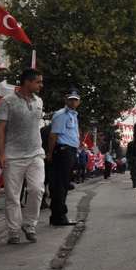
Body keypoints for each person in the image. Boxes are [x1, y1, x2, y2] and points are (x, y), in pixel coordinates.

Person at [0, 68, 47, 244]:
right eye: (38, 82)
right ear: (27, 82)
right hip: (13, 156)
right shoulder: (7, 101)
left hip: (36, 154)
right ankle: (13, 231)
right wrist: (1, 154)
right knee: (12, 196)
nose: (41, 85)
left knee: (37, 190)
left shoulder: (39, 101)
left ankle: (30, 225)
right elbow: (0, 129)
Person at [47, 90, 81, 228]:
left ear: (79, 101)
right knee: (60, 185)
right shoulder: (62, 114)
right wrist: (50, 154)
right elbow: (53, 135)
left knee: (63, 185)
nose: (73, 102)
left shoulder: (73, 115)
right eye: (70, 99)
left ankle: (57, 216)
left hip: (69, 152)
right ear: (66, 100)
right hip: (62, 152)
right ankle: (59, 216)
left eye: (75, 99)